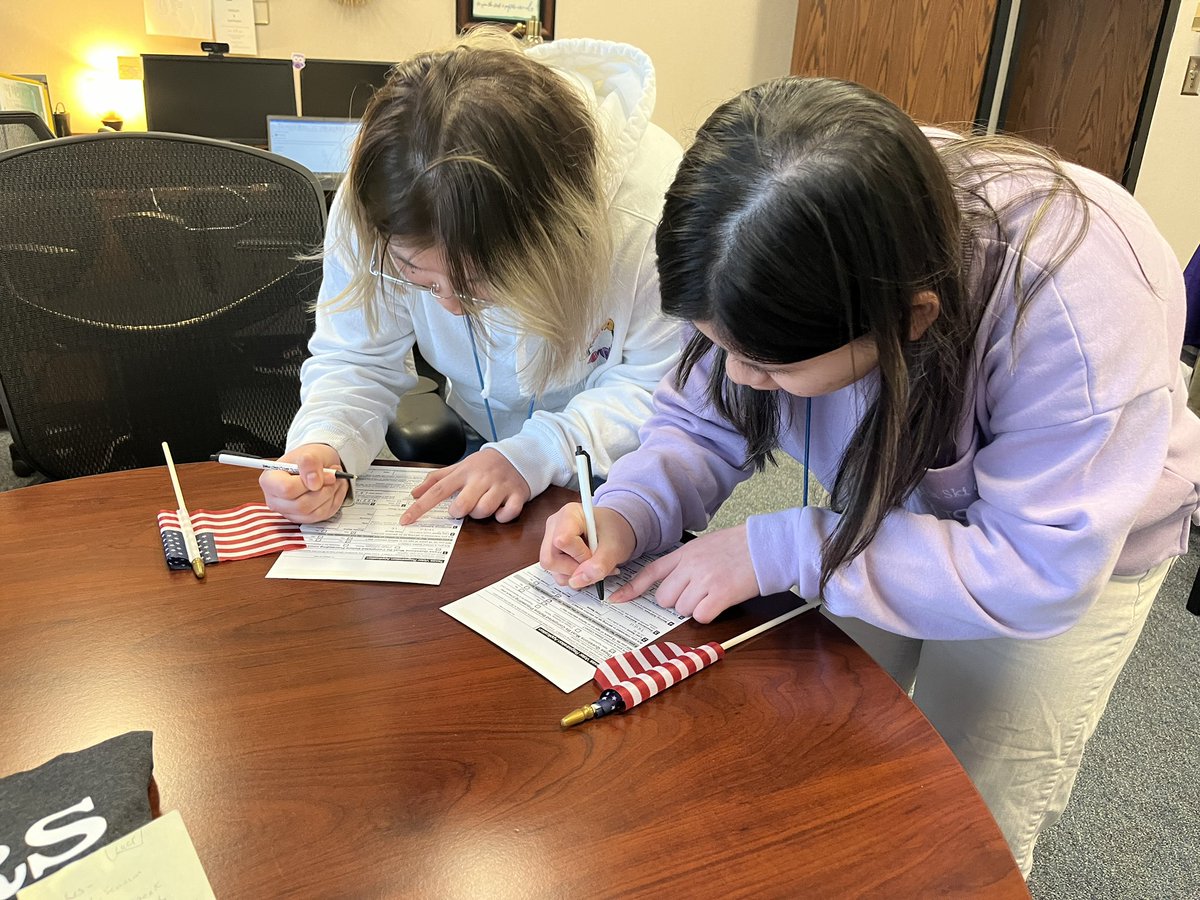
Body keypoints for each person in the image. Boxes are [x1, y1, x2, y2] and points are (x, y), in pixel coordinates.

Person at [541, 76, 1200, 876]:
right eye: (723, 347)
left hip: (1061, 549)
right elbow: (700, 418)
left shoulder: (1078, 299)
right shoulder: (788, 231)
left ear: (911, 319)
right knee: (828, 747)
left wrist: (784, 549)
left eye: (773, 364)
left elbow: (1039, 570)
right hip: (880, 497)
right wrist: (632, 507)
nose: (739, 376)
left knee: (971, 802)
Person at [261, 29, 683, 524]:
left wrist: (538, 451)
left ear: (553, 238)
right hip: (481, 444)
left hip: (618, 465)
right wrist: (325, 440)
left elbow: (658, 387)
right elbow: (357, 356)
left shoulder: (651, 215)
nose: (452, 308)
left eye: (481, 284)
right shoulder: (375, 202)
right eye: (419, 280)